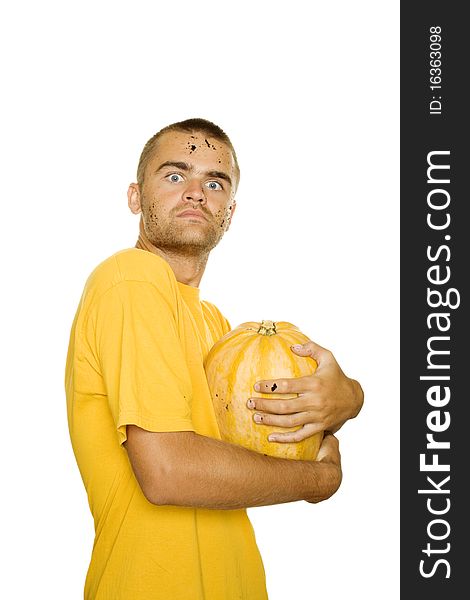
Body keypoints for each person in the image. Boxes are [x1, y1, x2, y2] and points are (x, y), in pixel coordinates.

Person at [65, 117, 364, 600]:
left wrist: (347, 398)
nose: (196, 193)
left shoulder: (217, 325)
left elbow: (262, 448)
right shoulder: (130, 279)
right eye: (175, 175)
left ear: (230, 210)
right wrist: (319, 479)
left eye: (215, 181)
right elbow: (167, 472)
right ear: (135, 197)